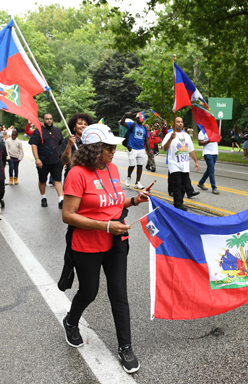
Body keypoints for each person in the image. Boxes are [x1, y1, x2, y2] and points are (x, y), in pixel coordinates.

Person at [61, 124, 150, 374]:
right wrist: (104, 226)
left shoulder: (112, 168)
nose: (114, 150)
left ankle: (125, 347)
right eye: (109, 147)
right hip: (87, 245)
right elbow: (68, 216)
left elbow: (114, 201)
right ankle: (70, 321)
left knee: (119, 295)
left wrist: (134, 199)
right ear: (93, 149)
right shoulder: (77, 174)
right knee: (89, 292)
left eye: (114, 146)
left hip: (117, 242)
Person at [162, 116, 200, 211]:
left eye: (182, 122)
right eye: (178, 122)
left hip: (185, 164)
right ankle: (177, 204)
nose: (180, 123)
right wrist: (170, 139)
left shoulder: (186, 136)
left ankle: (180, 203)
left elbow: (191, 150)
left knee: (183, 185)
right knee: (177, 184)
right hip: (174, 164)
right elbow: (164, 148)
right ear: (174, 124)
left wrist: (196, 161)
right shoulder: (169, 135)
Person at [29, 113, 64, 209]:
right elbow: (34, 145)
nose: (49, 120)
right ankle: (43, 197)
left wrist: (62, 157)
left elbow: (61, 145)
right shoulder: (38, 131)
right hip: (43, 161)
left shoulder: (57, 131)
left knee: (58, 180)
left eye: (51, 119)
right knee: (42, 180)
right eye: (47, 119)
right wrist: (37, 158)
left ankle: (61, 199)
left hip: (56, 161)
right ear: (43, 120)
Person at [120, 112, 152, 189]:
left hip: (141, 149)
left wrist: (149, 151)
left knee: (140, 166)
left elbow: (146, 140)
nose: (140, 120)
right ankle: (128, 177)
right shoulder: (132, 124)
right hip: (132, 148)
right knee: (132, 165)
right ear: (136, 118)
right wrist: (125, 115)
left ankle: (137, 182)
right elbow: (122, 123)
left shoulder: (145, 128)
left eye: (142, 118)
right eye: (139, 118)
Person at [61, 113, 92, 181]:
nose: (83, 126)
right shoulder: (67, 140)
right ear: (74, 126)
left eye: (85, 124)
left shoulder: (92, 140)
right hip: (72, 177)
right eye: (80, 124)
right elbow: (65, 161)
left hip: (88, 177)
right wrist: (69, 145)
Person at [197, 129, 220, 194]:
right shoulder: (202, 132)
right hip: (207, 153)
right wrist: (208, 141)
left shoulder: (214, 131)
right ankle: (214, 187)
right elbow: (200, 143)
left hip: (215, 153)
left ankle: (201, 183)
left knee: (209, 169)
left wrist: (219, 138)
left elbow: (217, 142)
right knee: (211, 170)